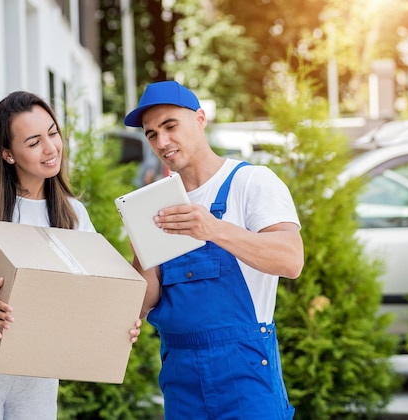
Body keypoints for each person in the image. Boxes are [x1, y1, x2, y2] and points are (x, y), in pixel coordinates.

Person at [0, 91, 141, 420]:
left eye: (53, 133)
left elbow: (92, 293)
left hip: (35, 374)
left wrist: (116, 323)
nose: (51, 147)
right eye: (34, 141)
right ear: (8, 154)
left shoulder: (72, 215)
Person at [124, 81, 304, 420]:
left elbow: (291, 259)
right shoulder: (155, 203)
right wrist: (141, 253)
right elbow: (143, 305)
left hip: (245, 372)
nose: (161, 142)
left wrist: (214, 229)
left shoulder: (251, 182)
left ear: (200, 119)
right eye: (151, 134)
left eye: (170, 126)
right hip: (180, 375)